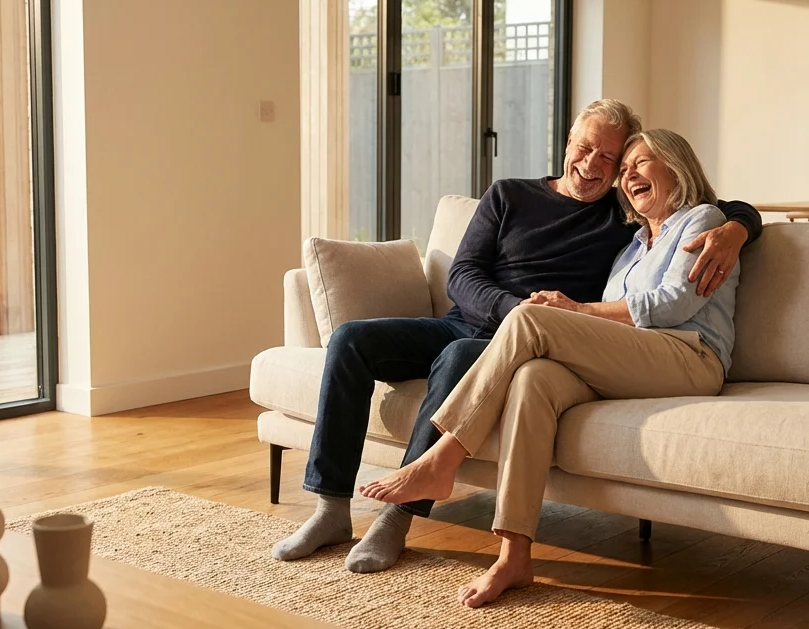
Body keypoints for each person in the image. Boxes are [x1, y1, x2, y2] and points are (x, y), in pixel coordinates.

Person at [272, 104, 760, 574]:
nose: (593, 164)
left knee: (461, 357)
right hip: (475, 320)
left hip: (540, 337)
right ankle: (331, 506)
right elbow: (461, 274)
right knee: (351, 341)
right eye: (586, 148)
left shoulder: (624, 214)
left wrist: (738, 227)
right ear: (568, 143)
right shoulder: (511, 195)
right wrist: (510, 310)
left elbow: (708, 204)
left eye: (609, 158)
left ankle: (398, 516)